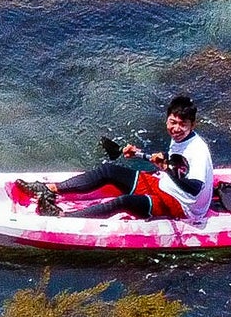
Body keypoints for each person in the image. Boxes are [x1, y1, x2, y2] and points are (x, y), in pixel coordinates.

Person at [27, 93, 215, 225]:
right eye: (172, 122)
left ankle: (64, 217)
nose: (176, 128)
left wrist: (165, 168)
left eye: (183, 125)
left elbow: (194, 187)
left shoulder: (197, 150)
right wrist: (140, 154)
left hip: (183, 206)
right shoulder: (180, 138)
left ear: (193, 125)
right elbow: (178, 162)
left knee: (124, 202)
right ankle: (51, 189)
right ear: (167, 119)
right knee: (108, 171)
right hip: (165, 185)